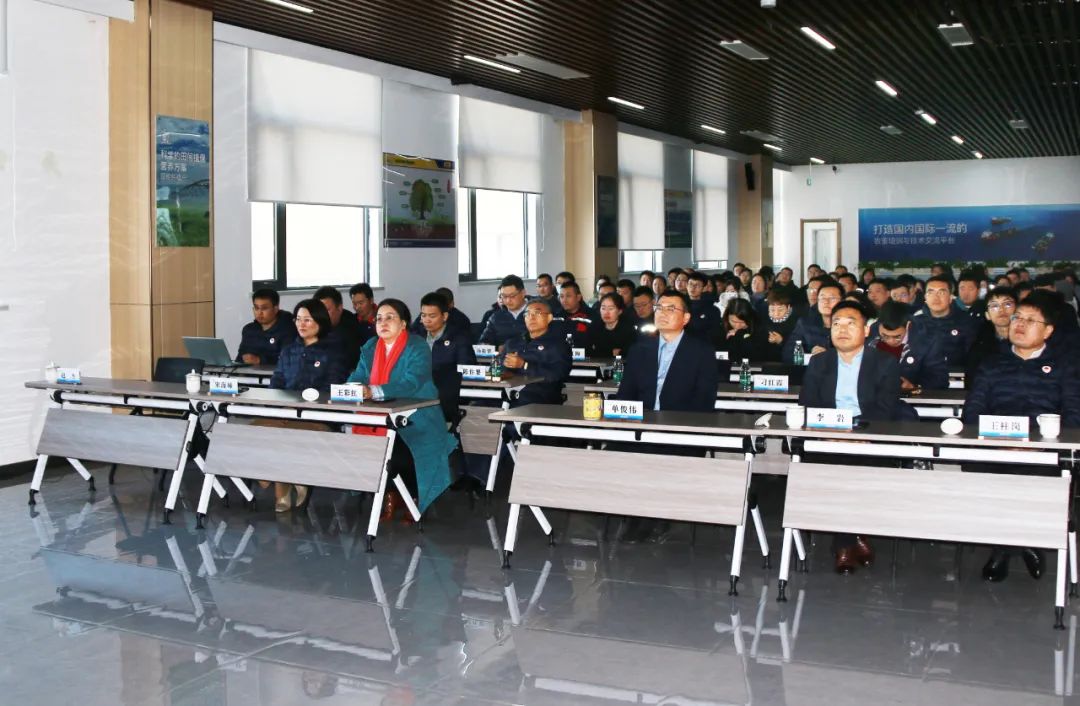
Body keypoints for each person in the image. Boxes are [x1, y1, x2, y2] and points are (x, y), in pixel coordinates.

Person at [962, 291, 1080, 582]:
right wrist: (997, 442)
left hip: (1045, 452)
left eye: (1030, 320)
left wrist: (1040, 446)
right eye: (1017, 318)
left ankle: (1005, 549)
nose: (1020, 324)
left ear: (1048, 330)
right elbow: (972, 411)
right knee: (984, 477)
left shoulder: (1065, 365)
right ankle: (1022, 545)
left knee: (1030, 478)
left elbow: (1074, 415)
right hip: (994, 448)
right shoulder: (991, 362)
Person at [798, 300, 902, 574]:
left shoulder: (885, 363)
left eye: (850, 324)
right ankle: (852, 538)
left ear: (866, 330)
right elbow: (808, 406)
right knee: (834, 471)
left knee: (851, 471)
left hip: (868, 438)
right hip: (827, 438)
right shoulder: (819, 362)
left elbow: (885, 409)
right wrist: (831, 434)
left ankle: (844, 543)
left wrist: (855, 433)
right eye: (836, 324)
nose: (842, 330)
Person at [348, 298, 458, 514]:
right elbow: (357, 376)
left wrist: (374, 391)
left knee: (398, 443)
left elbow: (411, 382)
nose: (383, 323)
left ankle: (411, 494)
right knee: (369, 441)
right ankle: (391, 493)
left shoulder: (417, 346)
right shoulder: (370, 347)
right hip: (380, 414)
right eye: (379, 318)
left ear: (403, 323)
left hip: (419, 415)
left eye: (390, 318)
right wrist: (349, 388)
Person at [268, 299, 347, 512]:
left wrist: (300, 406)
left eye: (308, 320)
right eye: (298, 319)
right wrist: (281, 407)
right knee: (256, 431)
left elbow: (332, 388)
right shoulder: (289, 350)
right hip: (286, 413)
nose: (301, 324)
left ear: (320, 321)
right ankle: (294, 479)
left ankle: (284, 489)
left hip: (318, 416)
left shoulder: (333, 351)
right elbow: (276, 383)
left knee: (285, 436)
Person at [614, 290, 718, 412]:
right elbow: (625, 394)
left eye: (670, 309)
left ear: (685, 318)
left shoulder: (702, 352)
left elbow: (704, 401)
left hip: (681, 420)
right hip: (643, 419)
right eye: (659, 308)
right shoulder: (638, 350)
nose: (662, 313)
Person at [500, 299, 573, 406]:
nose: (531, 317)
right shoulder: (512, 343)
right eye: (527, 314)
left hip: (541, 400)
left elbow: (558, 375)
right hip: (509, 397)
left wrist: (524, 365)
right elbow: (500, 369)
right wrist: (505, 372)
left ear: (549, 318)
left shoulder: (558, 345)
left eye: (537, 313)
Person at [417, 291, 476, 422]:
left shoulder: (459, 338)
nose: (427, 320)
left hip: (445, 394)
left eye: (432, 316)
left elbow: (466, 368)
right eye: (423, 315)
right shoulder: (416, 336)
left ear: (444, 316)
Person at [871, 300, 948, 390]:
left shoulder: (928, 339)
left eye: (897, 337)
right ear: (879, 325)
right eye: (885, 336)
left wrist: (914, 387)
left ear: (908, 325)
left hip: (912, 396)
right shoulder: (870, 336)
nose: (891, 341)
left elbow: (940, 379)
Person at [909, 275, 976, 367]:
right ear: (925, 297)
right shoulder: (916, 322)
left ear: (951, 297)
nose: (935, 297)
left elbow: (972, 357)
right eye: (930, 292)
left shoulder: (967, 322)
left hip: (956, 372)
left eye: (941, 292)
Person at [964, 287, 1016, 389]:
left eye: (1007, 304)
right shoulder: (979, 344)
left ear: (1017, 310)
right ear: (987, 315)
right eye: (994, 306)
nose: (1001, 309)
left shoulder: (1029, 342)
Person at [784, 280, 842, 363]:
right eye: (822, 298)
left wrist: (829, 355)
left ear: (842, 301)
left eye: (832, 298)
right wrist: (810, 356)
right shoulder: (805, 324)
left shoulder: (849, 325)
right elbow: (787, 354)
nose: (826, 301)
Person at [237, 288, 296, 365]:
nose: (259, 313)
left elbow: (289, 359)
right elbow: (240, 358)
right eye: (256, 308)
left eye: (264, 308)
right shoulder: (248, 330)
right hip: (248, 372)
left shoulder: (288, 329)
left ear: (275, 309)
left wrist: (260, 360)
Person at [315, 285, 364, 369]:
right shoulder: (312, 324)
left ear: (339, 308)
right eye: (319, 310)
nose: (322, 315)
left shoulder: (350, 329)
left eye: (327, 310)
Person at [479, 275, 529, 347]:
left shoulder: (537, 311)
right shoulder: (496, 318)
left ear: (523, 293)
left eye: (512, 296)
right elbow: (484, 342)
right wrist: (496, 348)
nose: (508, 300)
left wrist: (509, 347)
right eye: (504, 296)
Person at [715, 298, 765, 363]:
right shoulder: (720, 328)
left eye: (742, 322)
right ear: (727, 317)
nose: (737, 326)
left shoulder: (759, 327)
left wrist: (740, 335)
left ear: (749, 319)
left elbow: (758, 355)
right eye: (733, 321)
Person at [588, 292, 637, 358]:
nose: (606, 312)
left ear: (620, 311)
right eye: (603, 308)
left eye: (611, 309)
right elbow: (590, 351)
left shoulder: (628, 329)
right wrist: (612, 352)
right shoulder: (595, 326)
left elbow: (628, 353)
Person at [762, 289, 799, 362]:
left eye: (780, 310)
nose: (776, 314)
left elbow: (800, 347)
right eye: (772, 310)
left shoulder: (797, 323)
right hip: (766, 362)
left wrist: (781, 341)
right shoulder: (763, 320)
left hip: (788, 362)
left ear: (788, 307)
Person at [686, 271, 722, 340]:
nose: (693, 287)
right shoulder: (680, 305)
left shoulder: (712, 309)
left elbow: (715, 332)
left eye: (697, 285)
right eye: (690, 284)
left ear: (703, 288)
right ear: (686, 286)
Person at [557, 280, 592, 347]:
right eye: (561, 296)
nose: (564, 300)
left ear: (578, 297)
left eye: (568, 296)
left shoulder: (591, 317)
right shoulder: (555, 316)